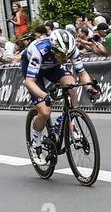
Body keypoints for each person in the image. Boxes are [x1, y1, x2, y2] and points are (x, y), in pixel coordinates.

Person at [21, 27, 100, 160]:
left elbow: (82, 72)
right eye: (62, 55)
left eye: (68, 55)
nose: (66, 58)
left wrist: (90, 89)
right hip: (34, 69)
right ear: (53, 49)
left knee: (72, 86)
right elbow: (29, 82)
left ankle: (70, 121)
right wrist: (45, 96)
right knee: (45, 111)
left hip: (53, 67)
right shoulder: (39, 51)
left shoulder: (70, 49)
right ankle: (35, 142)